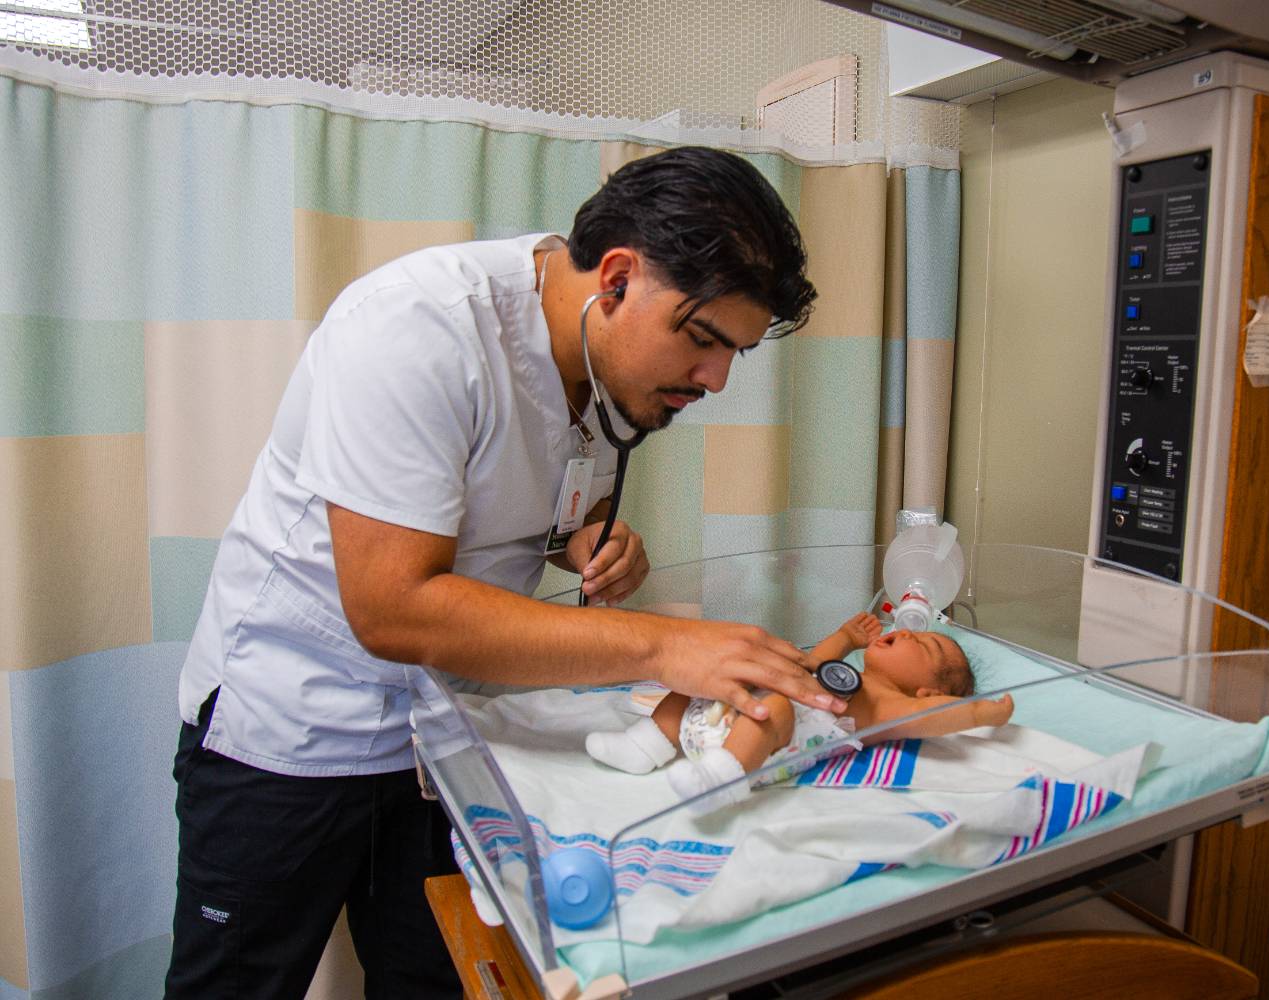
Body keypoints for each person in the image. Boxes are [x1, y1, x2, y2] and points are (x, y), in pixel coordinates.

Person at [165, 147, 836, 998]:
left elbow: (511, 495)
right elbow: (394, 608)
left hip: (437, 745)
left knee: (440, 978)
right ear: (618, 278)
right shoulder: (416, 328)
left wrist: (586, 540)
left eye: (733, 353)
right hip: (290, 732)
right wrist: (666, 647)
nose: (714, 379)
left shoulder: (592, 360)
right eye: (703, 340)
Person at [585, 613, 1017, 812]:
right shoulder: (847, 672)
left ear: (925, 691)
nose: (905, 631)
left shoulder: (892, 707)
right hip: (722, 716)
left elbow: (940, 715)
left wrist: (981, 714)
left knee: (776, 707)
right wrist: (845, 637)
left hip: (768, 749)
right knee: (702, 677)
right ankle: (645, 744)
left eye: (923, 645)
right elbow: (812, 663)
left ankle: (721, 779)